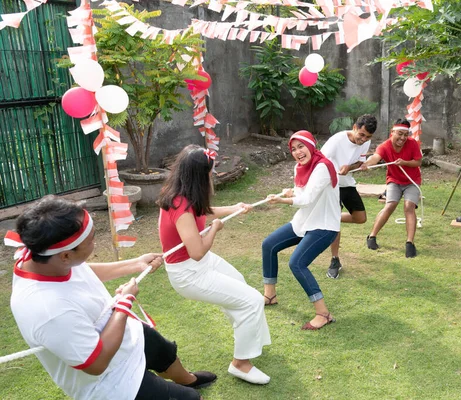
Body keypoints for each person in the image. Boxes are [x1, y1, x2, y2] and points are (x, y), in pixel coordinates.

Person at [7, 195, 216, 400]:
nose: (95, 243)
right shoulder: (47, 310)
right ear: (66, 255)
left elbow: (81, 271)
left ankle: (186, 379)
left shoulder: (48, 261)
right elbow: (96, 364)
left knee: (164, 352)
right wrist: (123, 305)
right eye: (91, 240)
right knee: (189, 398)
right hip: (112, 381)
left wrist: (135, 264)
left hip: (124, 334)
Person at [157, 145, 271, 385]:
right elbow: (197, 251)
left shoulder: (183, 193)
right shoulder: (180, 205)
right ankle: (241, 364)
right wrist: (215, 229)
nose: (212, 175)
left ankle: (248, 337)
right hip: (189, 274)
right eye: (210, 172)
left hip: (199, 265)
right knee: (252, 300)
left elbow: (203, 212)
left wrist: (235, 208)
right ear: (199, 176)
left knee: (239, 285)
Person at [262, 130, 341, 330]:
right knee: (269, 245)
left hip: (323, 225)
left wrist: (282, 200)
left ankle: (323, 313)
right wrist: (290, 191)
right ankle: (269, 295)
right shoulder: (300, 168)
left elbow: (306, 199)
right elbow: (301, 191)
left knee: (297, 263)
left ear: (311, 145)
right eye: (294, 149)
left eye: (301, 146)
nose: (298, 152)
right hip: (304, 222)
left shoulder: (323, 166)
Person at [320, 114, 377, 279]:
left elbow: (358, 162)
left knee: (360, 218)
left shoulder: (365, 142)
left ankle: (332, 218)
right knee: (334, 224)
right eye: (361, 135)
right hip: (331, 184)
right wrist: (333, 172)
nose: (364, 139)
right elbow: (320, 161)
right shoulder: (337, 141)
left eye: (368, 137)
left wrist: (352, 166)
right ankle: (334, 260)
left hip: (347, 183)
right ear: (354, 128)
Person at [361, 119, 422, 257]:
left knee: (409, 206)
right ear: (392, 132)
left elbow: (418, 162)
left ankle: (410, 243)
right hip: (394, 180)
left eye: (405, 135)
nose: (402, 138)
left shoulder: (412, 144)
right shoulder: (385, 146)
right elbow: (376, 157)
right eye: (399, 134)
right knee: (390, 205)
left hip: (412, 181)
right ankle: (372, 236)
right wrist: (367, 164)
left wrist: (405, 162)